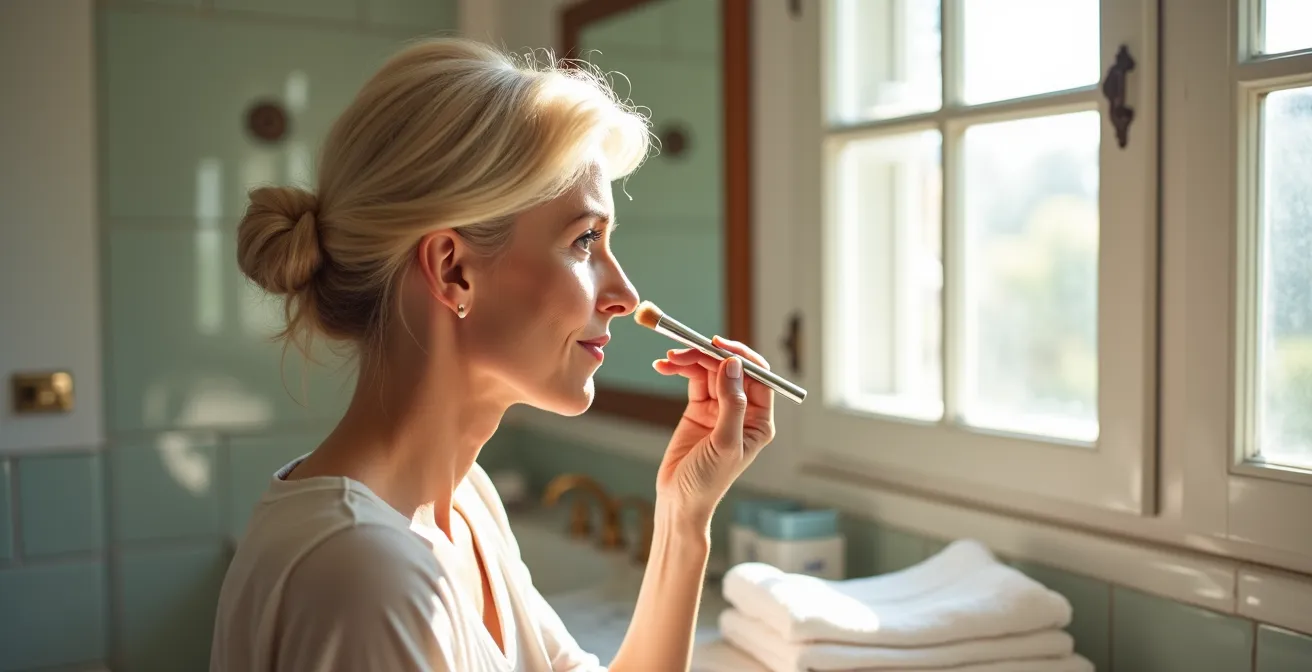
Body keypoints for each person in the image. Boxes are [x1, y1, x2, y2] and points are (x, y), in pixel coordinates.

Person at [210, 38, 776, 672]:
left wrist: (683, 515)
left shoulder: (465, 503)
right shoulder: (364, 576)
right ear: (453, 272)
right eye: (585, 240)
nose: (624, 295)